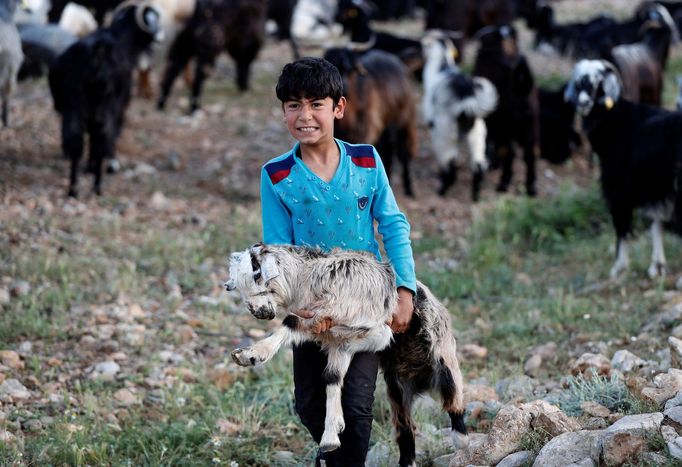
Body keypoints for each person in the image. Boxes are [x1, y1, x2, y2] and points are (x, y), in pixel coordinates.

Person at [260, 56, 416, 466]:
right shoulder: (276, 175)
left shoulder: (366, 160)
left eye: (316, 104)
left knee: (357, 404)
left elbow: (393, 225)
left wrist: (404, 290)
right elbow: (279, 251)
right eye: (293, 105)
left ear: (339, 108)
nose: (305, 115)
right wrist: (290, 303)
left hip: (364, 305)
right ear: (283, 112)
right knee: (310, 404)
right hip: (310, 309)